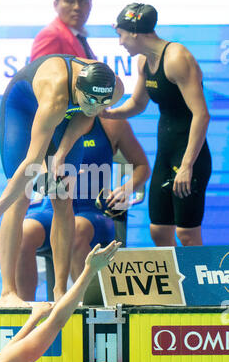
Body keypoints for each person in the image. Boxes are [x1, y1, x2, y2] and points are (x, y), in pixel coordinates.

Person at [0, 54, 124, 306]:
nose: (96, 106)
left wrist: (60, 153)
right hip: (24, 108)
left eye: (102, 103)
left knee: (62, 196)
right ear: (78, 88)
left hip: (68, 114)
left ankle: (59, 290)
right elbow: (31, 163)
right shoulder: (56, 95)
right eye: (90, 99)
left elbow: (86, 115)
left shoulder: (112, 89)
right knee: (21, 196)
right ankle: (7, 291)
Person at [102, 3, 212, 247]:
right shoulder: (144, 61)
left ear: (134, 32)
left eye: (120, 35)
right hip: (166, 154)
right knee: (159, 231)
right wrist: (108, 114)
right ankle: (178, 285)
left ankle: (197, 285)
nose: (120, 42)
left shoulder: (177, 59)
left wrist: (186, 166)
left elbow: (201, 115)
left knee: (186, 234)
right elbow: (138, 104)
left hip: (189, 158)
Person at [16, 118, 150, 300]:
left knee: (77, 228)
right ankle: (24, 312)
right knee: (24, 232)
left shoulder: (112, 125)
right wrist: (50, 178)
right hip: (53, 211)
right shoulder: (49, 122)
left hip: (95, 214)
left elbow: (142, 166)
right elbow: (35, 171)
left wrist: (126, 189)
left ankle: (84, 310)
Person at [30, 0, 96, 62]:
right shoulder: (51, 35)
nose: (77, 7)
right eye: (69, 1)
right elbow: (40, 73)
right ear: (55, 5)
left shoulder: (79, 37)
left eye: (82, 1)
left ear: (91, 4)